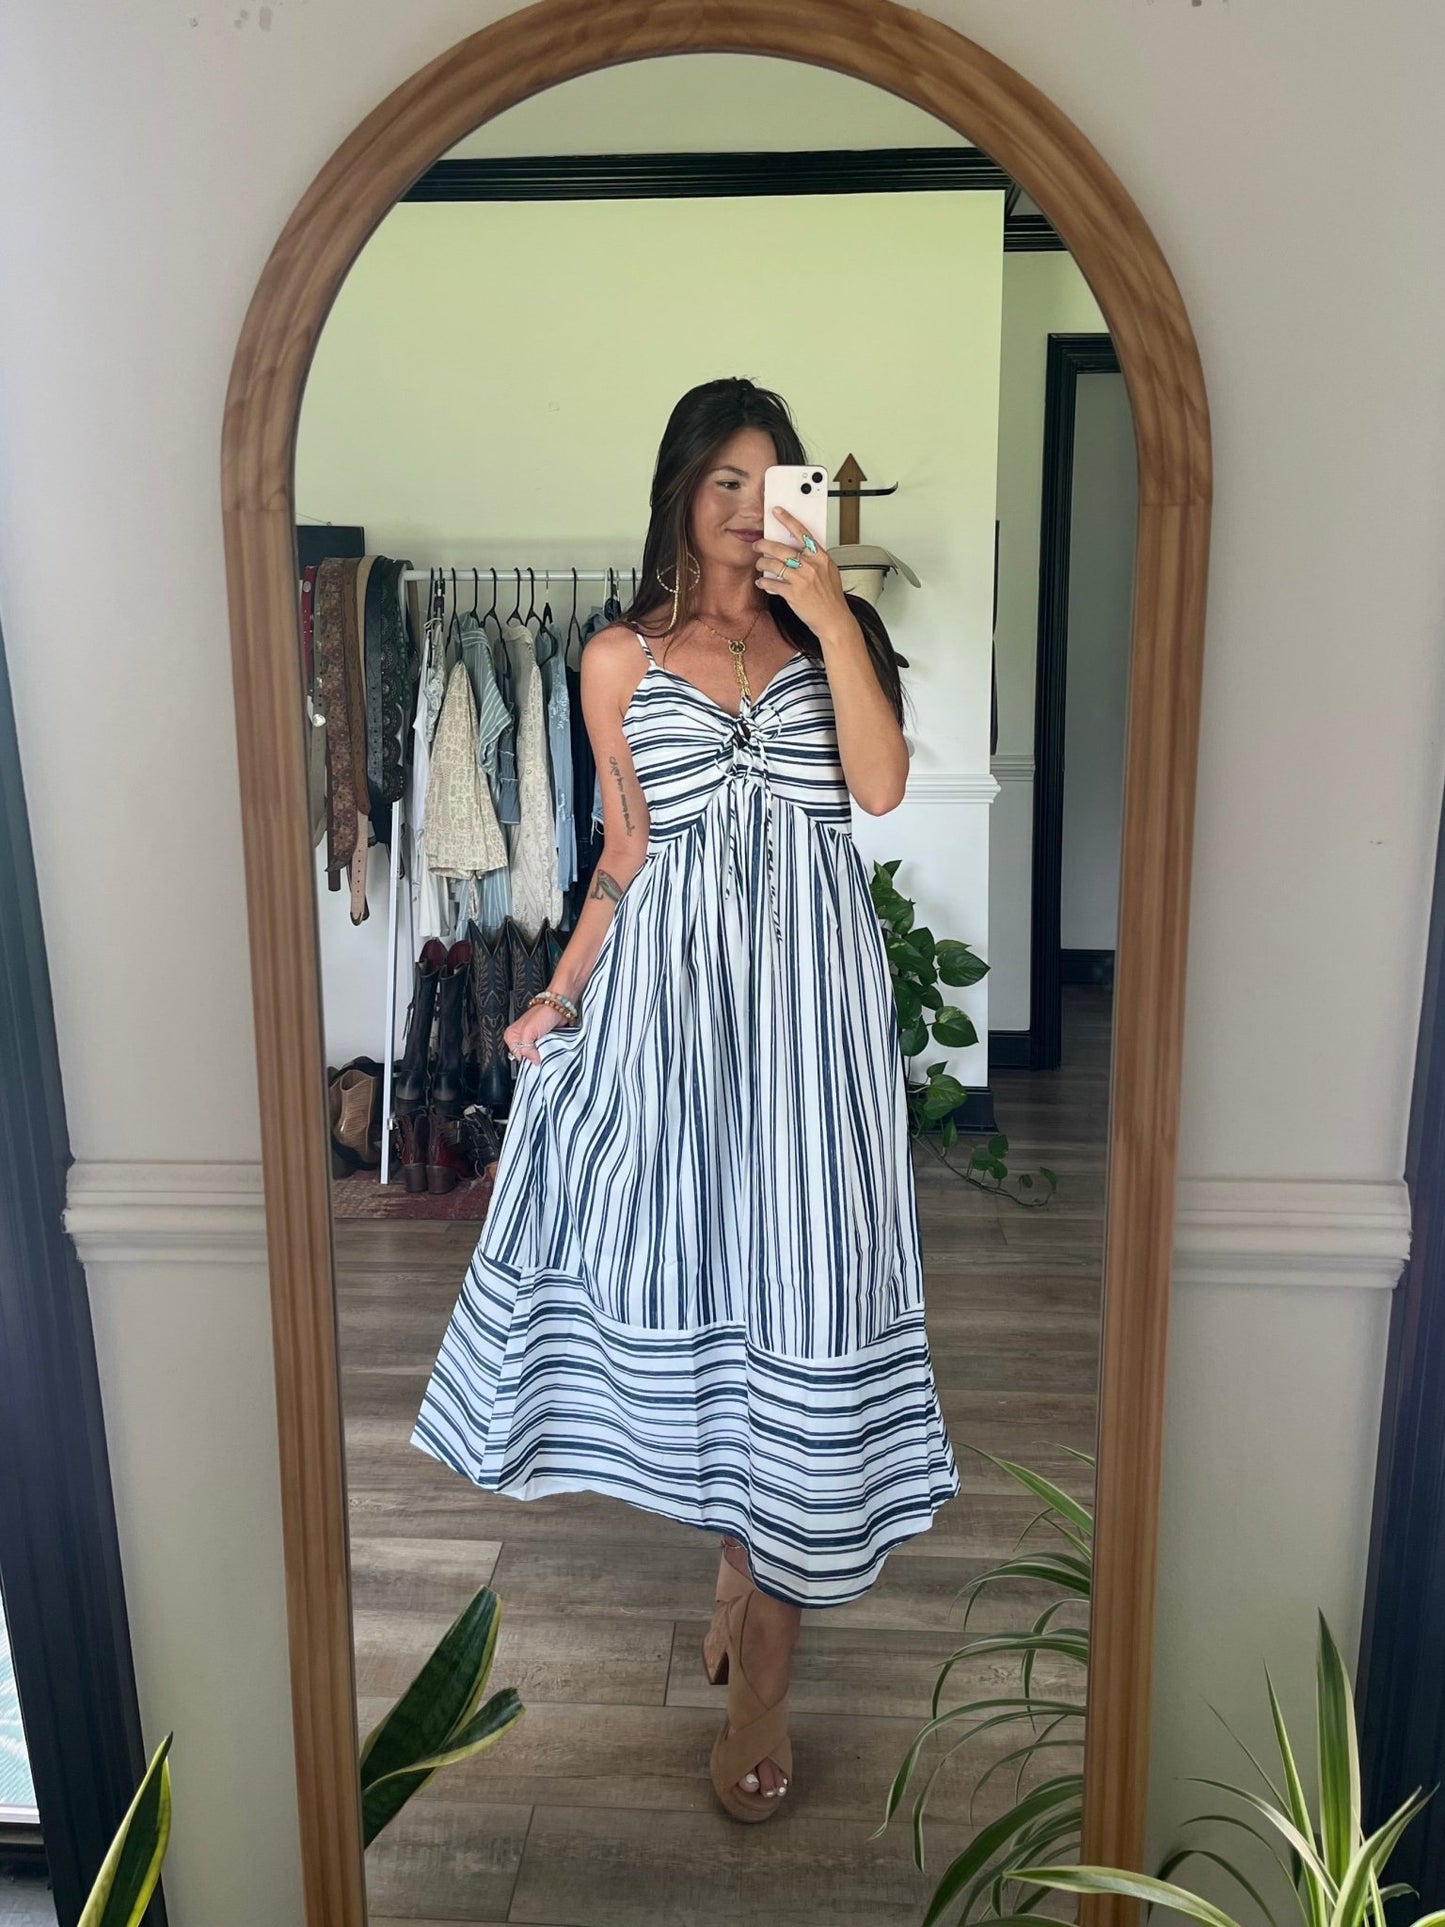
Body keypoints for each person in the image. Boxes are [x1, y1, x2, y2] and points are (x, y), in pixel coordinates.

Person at [411, 377, 958, 1822]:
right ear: (676, 494)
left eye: (772, 481)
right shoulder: (614, 658)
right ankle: (738, 1560)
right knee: (714, 1271)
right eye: (721, 480)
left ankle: (765, 1654)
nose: (743, 506)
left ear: (804, 505)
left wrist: (835, 618)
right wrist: (561, 991)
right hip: (674, 1012)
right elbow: (624, 851)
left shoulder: (839, 635)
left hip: (814, 1019)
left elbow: (883, 792)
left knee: (805, 1286)